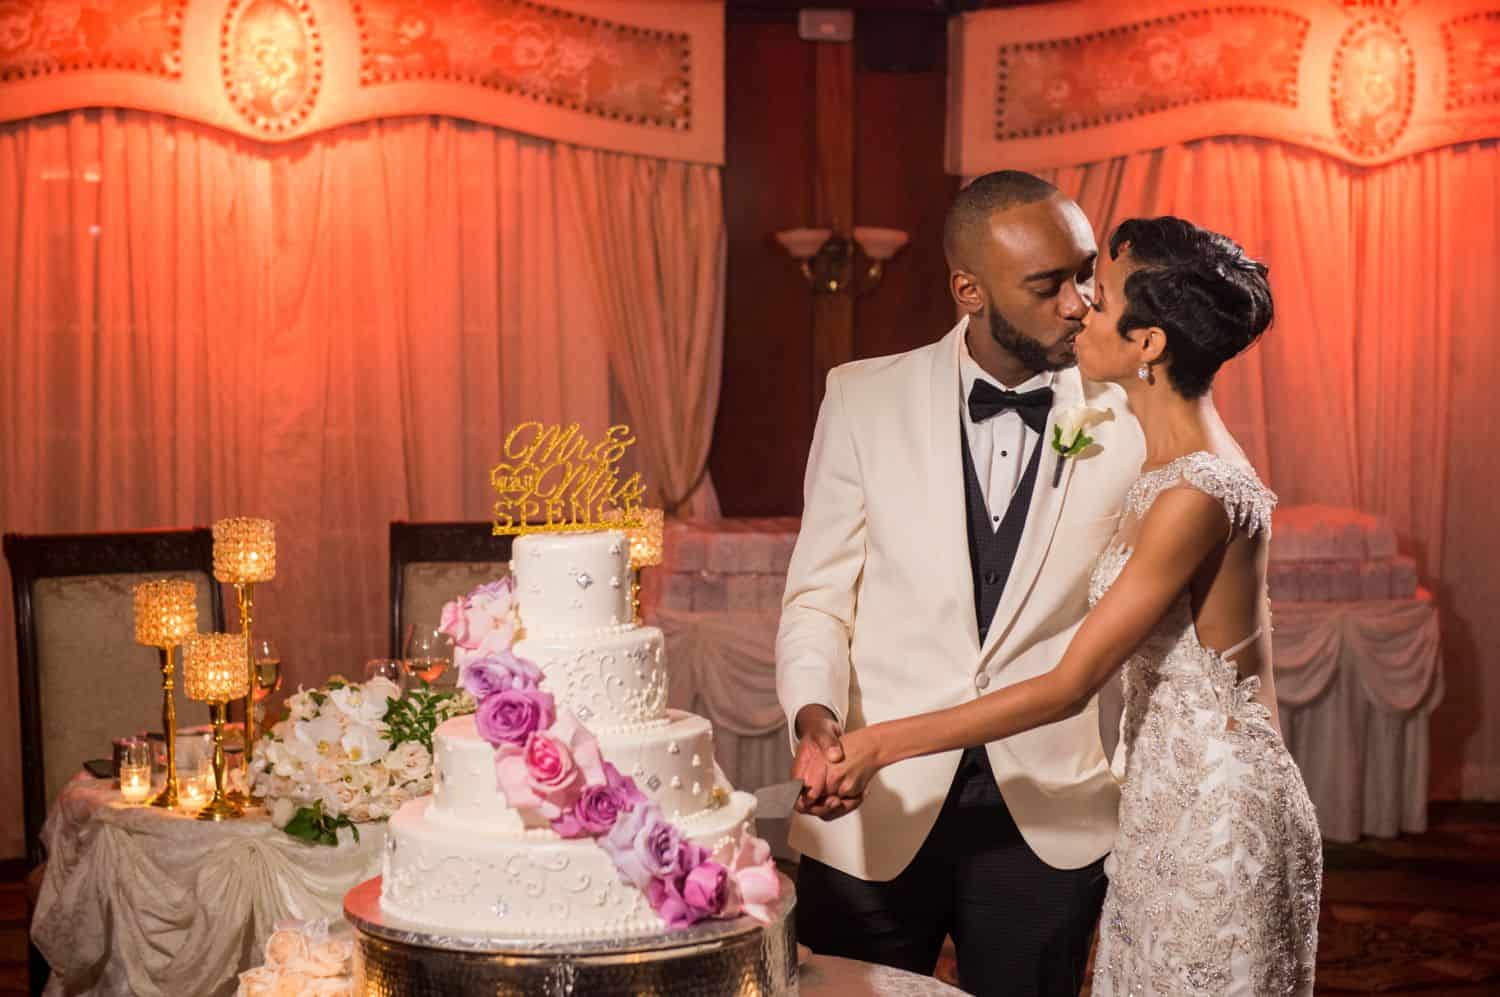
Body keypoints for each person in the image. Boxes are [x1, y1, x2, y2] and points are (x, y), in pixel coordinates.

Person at [824, 215, 1322, 995]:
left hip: (1216, 816)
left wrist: (880, 742)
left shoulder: (1195, 491)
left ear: (1149, 343)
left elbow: (1069, 683)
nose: (1081, 306)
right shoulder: (1160, 458)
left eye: (1103, 293)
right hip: (1163, 795)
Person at [776, 170, 1145, 994]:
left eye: (1085, 272)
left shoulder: (1133, 421)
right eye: (1048, 285)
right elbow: (818, 599)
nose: (1080, 302)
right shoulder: (861, 398)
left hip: (1048, 817)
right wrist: (813, 715)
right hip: (874, 813)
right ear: (969, 289)